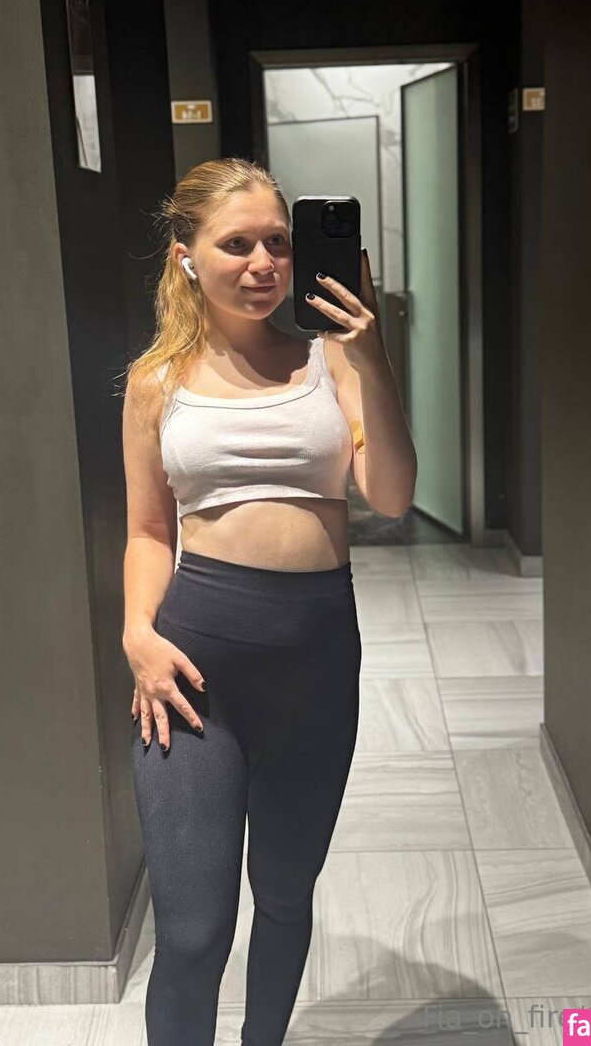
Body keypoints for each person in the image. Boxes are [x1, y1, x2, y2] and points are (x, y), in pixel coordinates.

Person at [120, 157, 416, 1045]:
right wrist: (136, 633)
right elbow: (148, 531)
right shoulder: (156, 382)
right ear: (186, 257)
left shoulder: (336, 362)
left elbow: (393, 495)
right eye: (237, 244)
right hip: (193, 670)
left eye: (278, 243)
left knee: (284, 898)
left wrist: (372, 356)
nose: (263, 263)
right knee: (192, 932)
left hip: (316, 667)